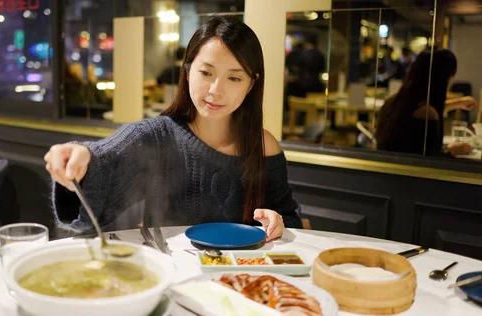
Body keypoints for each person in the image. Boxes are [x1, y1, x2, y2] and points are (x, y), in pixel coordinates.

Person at [44, 16, 303, 242]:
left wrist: (277, 221)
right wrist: (79, 156)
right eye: (206, 73)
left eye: (234, 78)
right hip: (174, 280)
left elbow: (290, 220)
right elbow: (103, 160)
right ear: (188, 71)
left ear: (251, 84)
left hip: (241, 284)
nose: (215, 90)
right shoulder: (156, 138)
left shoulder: (263, 145)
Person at [376, 49, 476, 157]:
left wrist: (458, 102)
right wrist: (451, 151)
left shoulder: (394, 102)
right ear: (442, 79)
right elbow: (430, 160)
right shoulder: (427, 113)